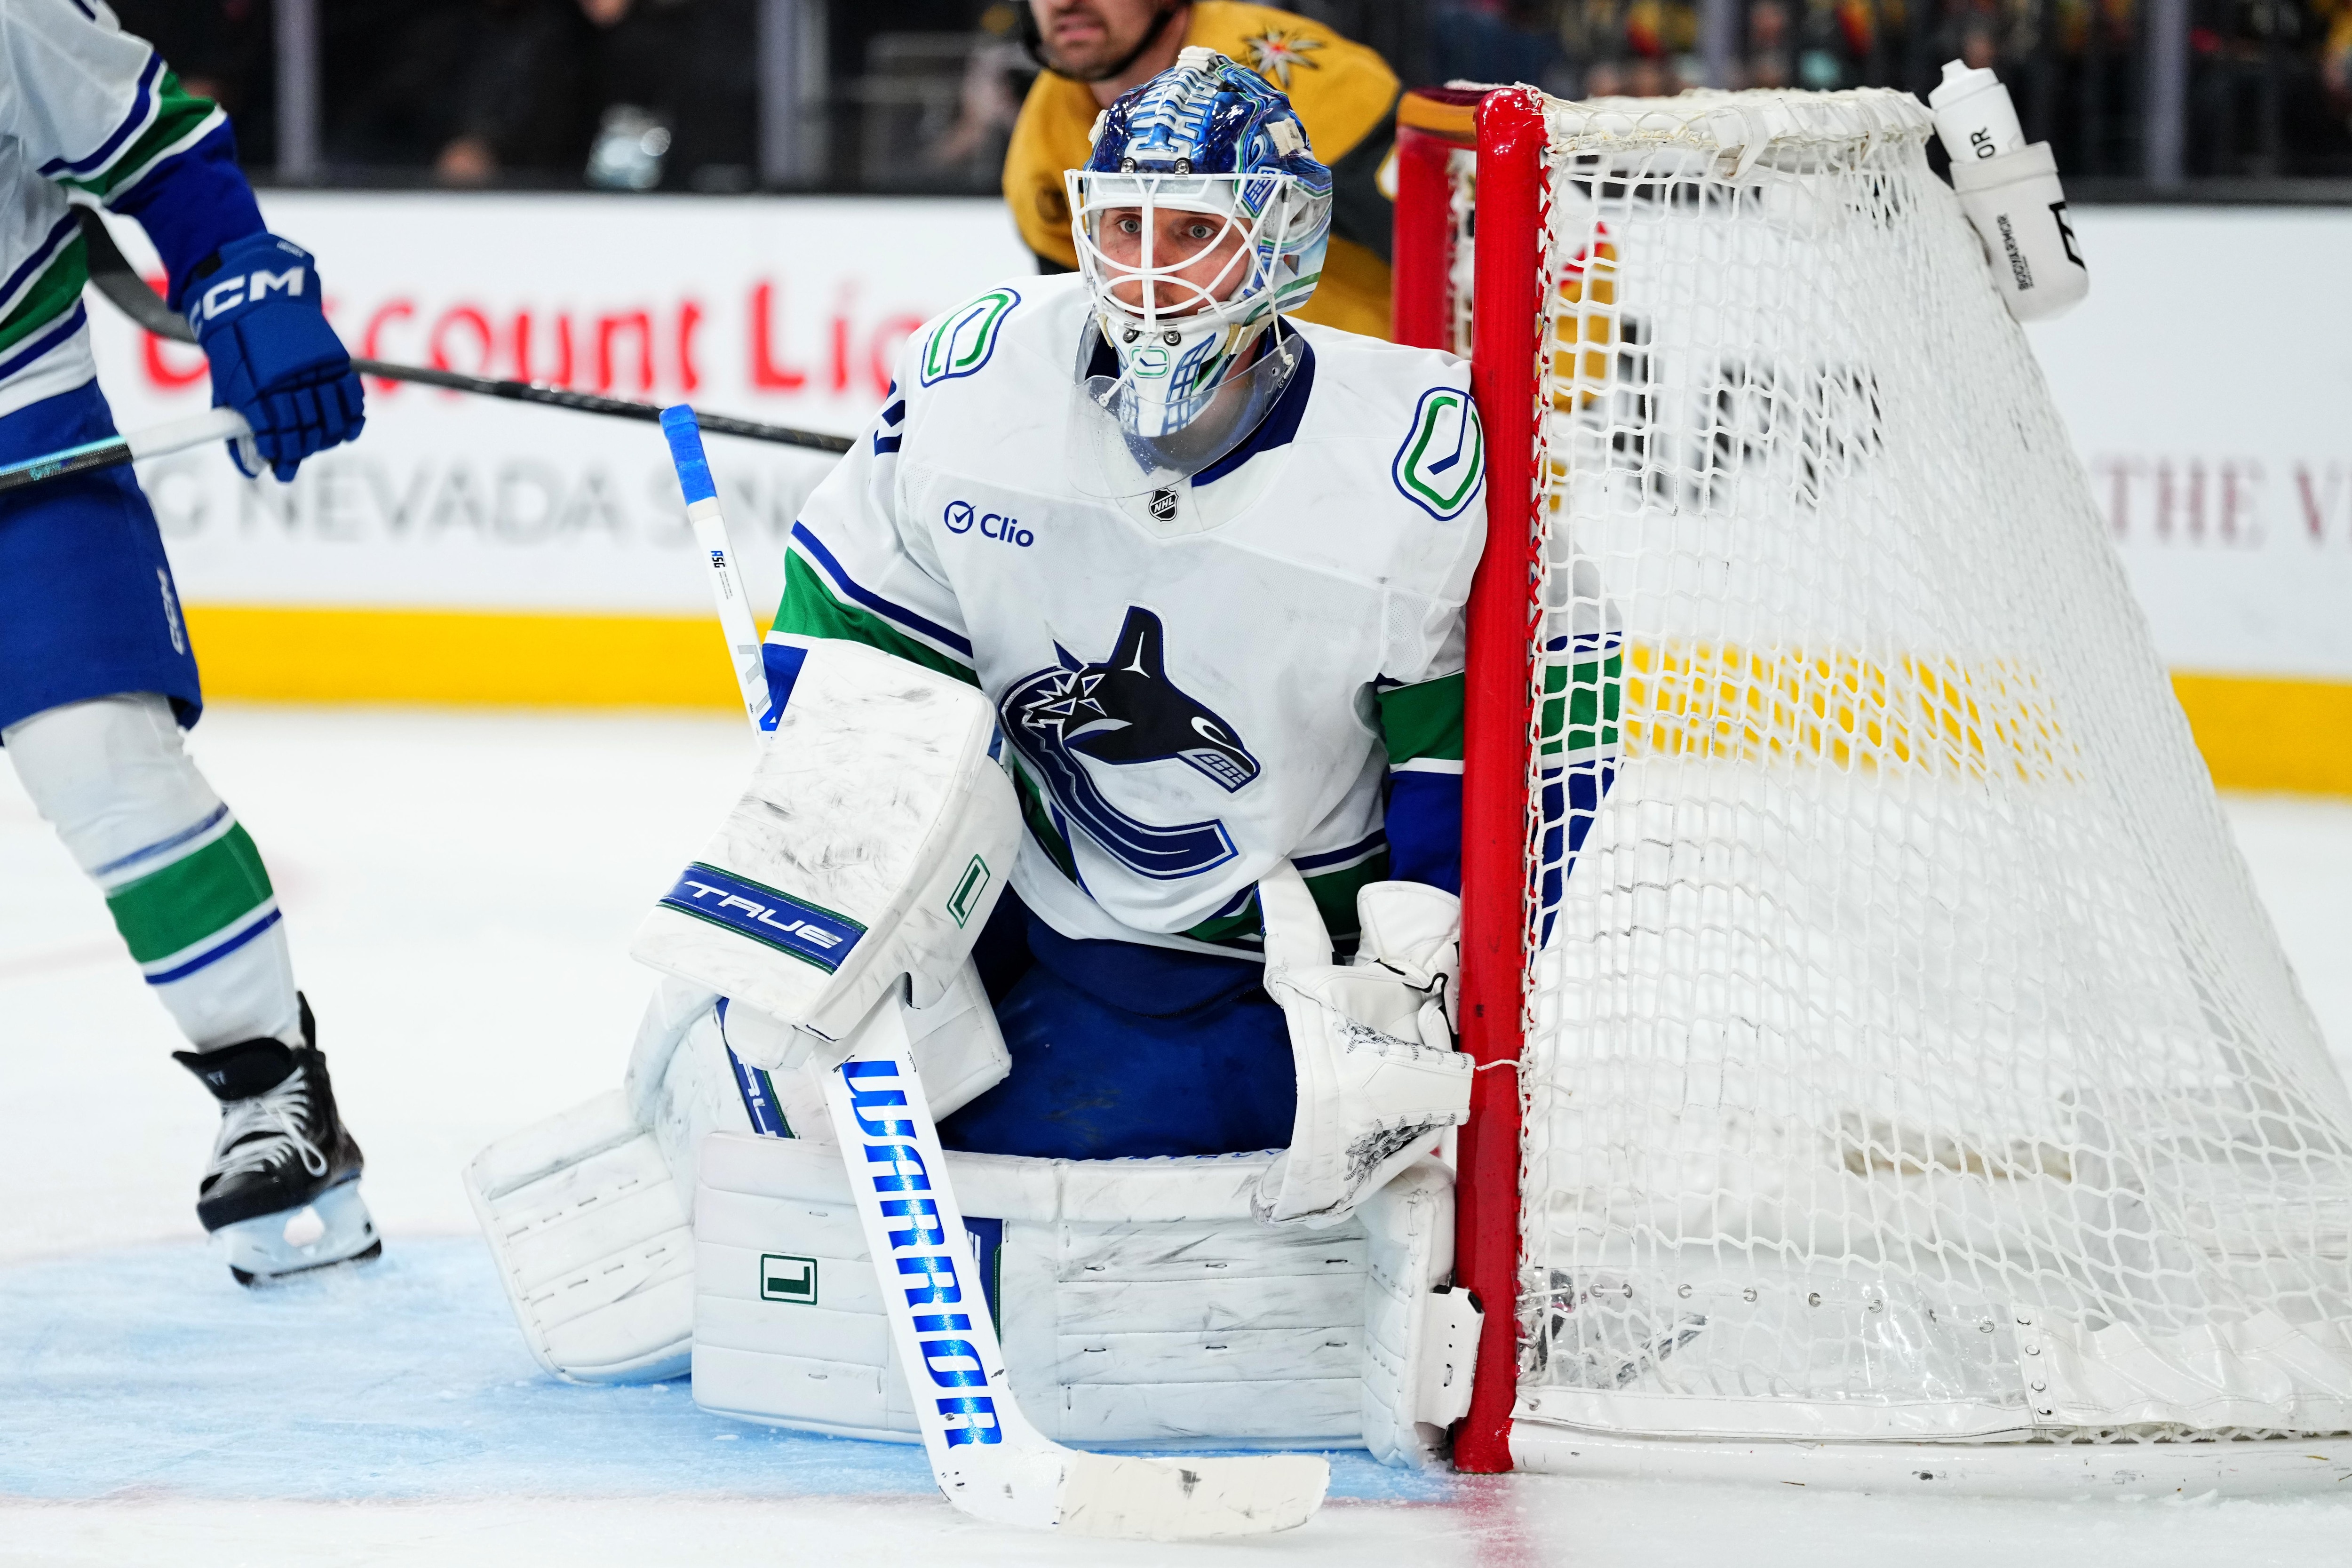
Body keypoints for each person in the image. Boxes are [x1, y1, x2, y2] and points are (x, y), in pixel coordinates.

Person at [773, 48, 1481, 1161]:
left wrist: (1430, 952)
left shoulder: (1411, 459)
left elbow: (1491, 748)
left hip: (1273, 957)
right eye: (1124, 229)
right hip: (1020, 890)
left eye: (1196, 232)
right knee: (751, 1071)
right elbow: (849, 642)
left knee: (1049, 1141)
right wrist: (835, 882)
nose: (1149, 279)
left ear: (1282, 237)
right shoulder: (981, 376)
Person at [0, 0, 375, 1283]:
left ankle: (271, 1085)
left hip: (24, 453)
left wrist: (243, 277)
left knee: (106, 768)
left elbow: (161, 153)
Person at [1003, 0, 1401, 339]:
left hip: (1360, 393)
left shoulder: (1318, 83)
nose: (1065, 2)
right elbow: (1088, 322)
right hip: (1182, 398)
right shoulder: (1045, 130)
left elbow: (1447, 267)